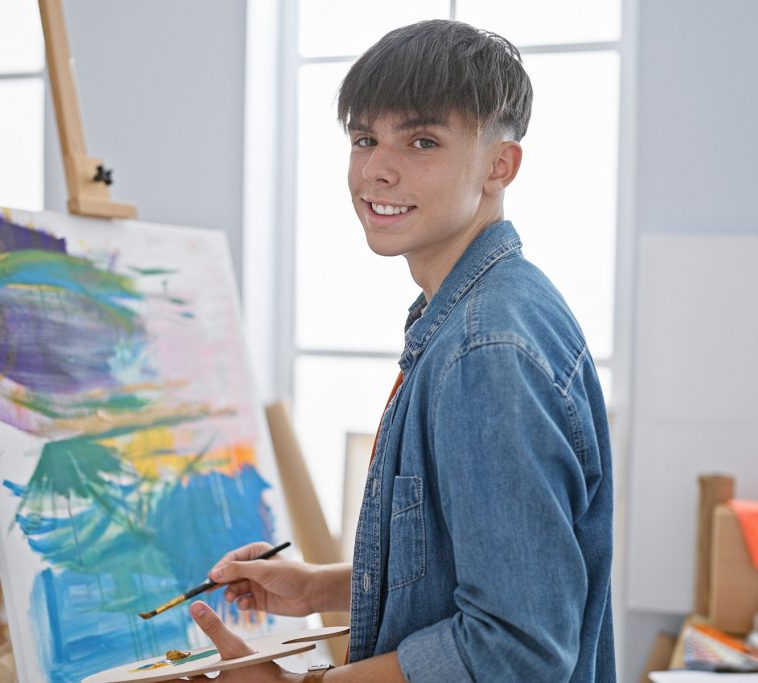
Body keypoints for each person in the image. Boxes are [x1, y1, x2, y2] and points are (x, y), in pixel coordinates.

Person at [187, 18, 615, 682]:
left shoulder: (486, 349)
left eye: (421, 140)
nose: (376, 169)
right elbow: (471, 565)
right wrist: (319, 587)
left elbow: (518, 648)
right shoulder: (476, 313)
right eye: (364, 138)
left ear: (500, 165)